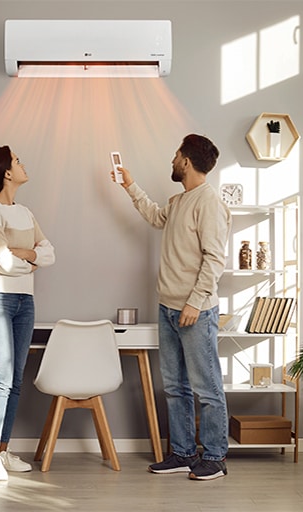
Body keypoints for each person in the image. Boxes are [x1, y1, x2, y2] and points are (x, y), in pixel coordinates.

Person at [111, 134, 232, 481]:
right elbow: (154, 216)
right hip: (168, 307)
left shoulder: (209, 203)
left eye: (177, 155)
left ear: (187, 161)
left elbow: (215, 258)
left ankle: (215, 458)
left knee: (207, 388)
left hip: (195, 311)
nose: (173, 160)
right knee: (175, 386)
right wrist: (129, 185)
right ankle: (182, 452)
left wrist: (194, 302)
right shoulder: (180, 201)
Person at [0, 145, 56, 481]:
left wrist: (24, 254)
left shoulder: (26, 213)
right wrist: (30, 261)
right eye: (18, 161)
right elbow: (2, 263)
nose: (23, 164)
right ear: (6, 172)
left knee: (15, 379)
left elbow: (50, 254)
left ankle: (2, 450)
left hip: (24, 301)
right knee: (1, 378)